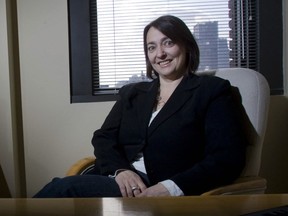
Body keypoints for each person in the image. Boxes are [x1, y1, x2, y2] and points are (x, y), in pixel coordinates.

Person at [34, 15, 247, 198]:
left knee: (63, 189)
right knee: (61, 189)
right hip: (116, 179)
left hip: (156, 189)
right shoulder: (133, 93)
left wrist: (171, 188)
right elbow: (104, 137)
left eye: (168, 43)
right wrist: (120, 171)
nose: (160, 54)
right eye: (151, 47)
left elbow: (227, 157)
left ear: (186, 46)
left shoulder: (211, 90)